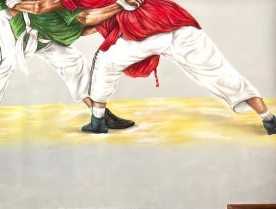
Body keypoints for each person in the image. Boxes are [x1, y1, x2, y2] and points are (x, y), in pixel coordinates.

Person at [28, 0, 276, 135]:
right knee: (219, 72)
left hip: (144, 31)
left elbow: (85, 18)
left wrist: (118, 5)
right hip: (179, 24)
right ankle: (267, 118)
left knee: (104, 62)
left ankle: (97, 121)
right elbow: (88, 25)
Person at [0, 0, 134, 132]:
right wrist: (120, 5)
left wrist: (118, 14)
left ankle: (99, 117)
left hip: (37, 35)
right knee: (4, 63)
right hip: (1, 22)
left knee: (73, 60)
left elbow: (83, 26)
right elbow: (38, 7)